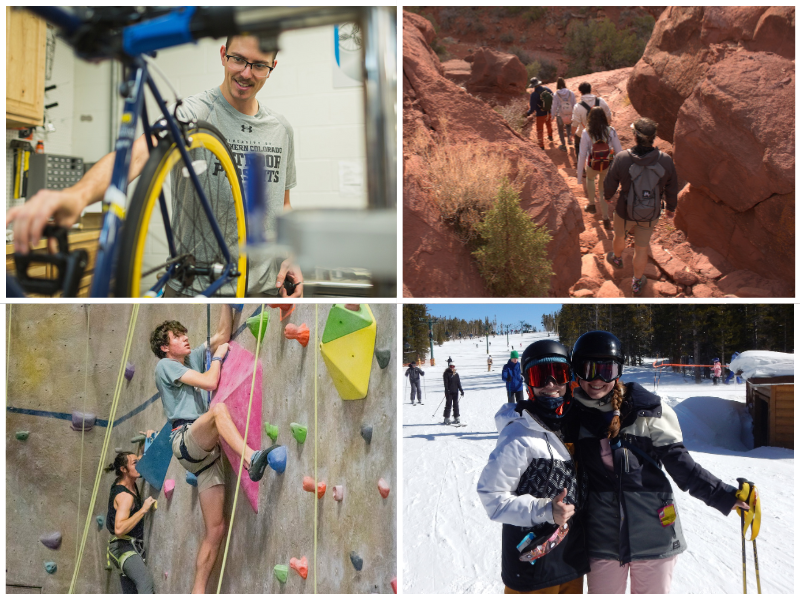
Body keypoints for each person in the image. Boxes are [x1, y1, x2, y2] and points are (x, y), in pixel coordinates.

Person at [7, 35, 302, 298]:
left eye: (259, 65)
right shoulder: (194, 112)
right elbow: (137, 154)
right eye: (238, 59)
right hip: (195, 287)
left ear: (272, 66)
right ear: (223, 54)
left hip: (265, 289)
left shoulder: (281, 128)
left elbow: (282, 204)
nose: (246, 73)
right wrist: (78, 195)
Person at [569, 330, 749, 594]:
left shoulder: (649, 411)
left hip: (654, 534)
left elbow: (682, 467)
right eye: (587, 369)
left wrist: (724, 496)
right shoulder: (573, 417)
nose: (596, 379)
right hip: (601, 539)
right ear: (576, 372)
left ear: (618, 371)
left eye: (606, 370)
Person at [150, 307, 279, 593]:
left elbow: (223, 334)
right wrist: (218, 358)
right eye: (177, 336)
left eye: (185, 334)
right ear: (164, 347)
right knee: (218, 409)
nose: (185, 338)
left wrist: (225, 300)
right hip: (186, 437)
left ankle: (198, 593)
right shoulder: (165, 366)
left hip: (206, 457)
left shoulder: (191, 359)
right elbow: (210, 381)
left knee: (216, 529)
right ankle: (251, 459)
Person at [477, 339, 588, 594]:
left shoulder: (578, 424)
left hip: (571, 559)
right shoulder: (519, 434)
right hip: (533, 565)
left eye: (557, 374)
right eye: (540, 376)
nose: (550, 384)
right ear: (529, 383)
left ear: (568, 378)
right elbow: (492, 497)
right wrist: (545, 510)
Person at [603, 117, 680, 295]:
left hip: (624, 210)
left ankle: (617, 259)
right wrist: (671, 208)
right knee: (642, 247)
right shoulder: (666, 161)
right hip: (651, 212)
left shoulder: (622, 158)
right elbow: (672, 186)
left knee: (620, 236)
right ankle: (637, 282)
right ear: (654, 137)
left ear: (634, 135)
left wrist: (608, 197)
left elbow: (610, 182)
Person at [105, 449, 157, 593]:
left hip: (126, 546)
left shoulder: (128, 480)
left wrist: (149, 438)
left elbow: (140, 458)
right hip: (123, 547)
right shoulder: (125, 497)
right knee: (146, 583)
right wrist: (143, 510)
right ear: (123, 469)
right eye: (135, 464)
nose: (139, 465)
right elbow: (119, 530)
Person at [577, 107, 622, 229]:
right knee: (603, 190)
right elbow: (619, 151)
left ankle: (592, 204)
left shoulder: (586, 132)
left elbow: (582, 154)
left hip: (592, 164)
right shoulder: (611, 131)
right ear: (604, 117)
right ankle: (606, 218)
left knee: (590, 180)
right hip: (607, 165)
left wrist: (579, 174)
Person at [571, 82, 612, 154]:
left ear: (580, 91)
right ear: (590, 89)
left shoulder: (577, 106)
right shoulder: (601, 101)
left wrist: (572, 134)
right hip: (601, 133)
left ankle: (580, 161)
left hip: (584, 134)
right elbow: (608, 117)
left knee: (577, 144)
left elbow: (575, 123)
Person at [525, 77, 554, 150]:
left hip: (540, 115)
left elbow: (532, 108)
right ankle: (550, 136)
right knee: (549, 124)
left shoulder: (533, 95)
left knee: (540, 130)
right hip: (549, 112)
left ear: (533, 86)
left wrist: (527, 113)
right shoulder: (547, 89)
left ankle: (541, 146)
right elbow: (553, 97)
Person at [551, 78, 576, 153]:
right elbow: (574, 104)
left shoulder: (556, 94)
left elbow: (554, 106)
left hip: (560, 115)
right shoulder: (571, 93)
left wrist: (552, 116)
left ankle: (564, 146)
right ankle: (569, 140)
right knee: (568, 126)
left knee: (561, 130)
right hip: (570, 114)